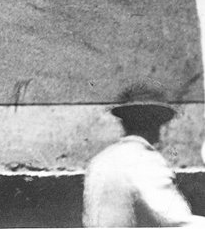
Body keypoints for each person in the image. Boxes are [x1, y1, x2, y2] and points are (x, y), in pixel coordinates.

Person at [83, 84, 205, 227]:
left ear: (124, 123)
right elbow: (175, 219)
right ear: (154, 123)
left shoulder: (99, 161)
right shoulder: (145, 160)